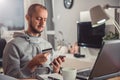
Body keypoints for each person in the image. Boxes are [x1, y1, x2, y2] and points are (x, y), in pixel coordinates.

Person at [3, 3, 65, 79]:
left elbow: (50, 74)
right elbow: (9, 78)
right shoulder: (13, 46)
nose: (42, 23)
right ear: (27, 18)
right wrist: (31, 65)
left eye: (45, 20)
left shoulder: (47, 45)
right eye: (38, 19)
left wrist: (56, 70)